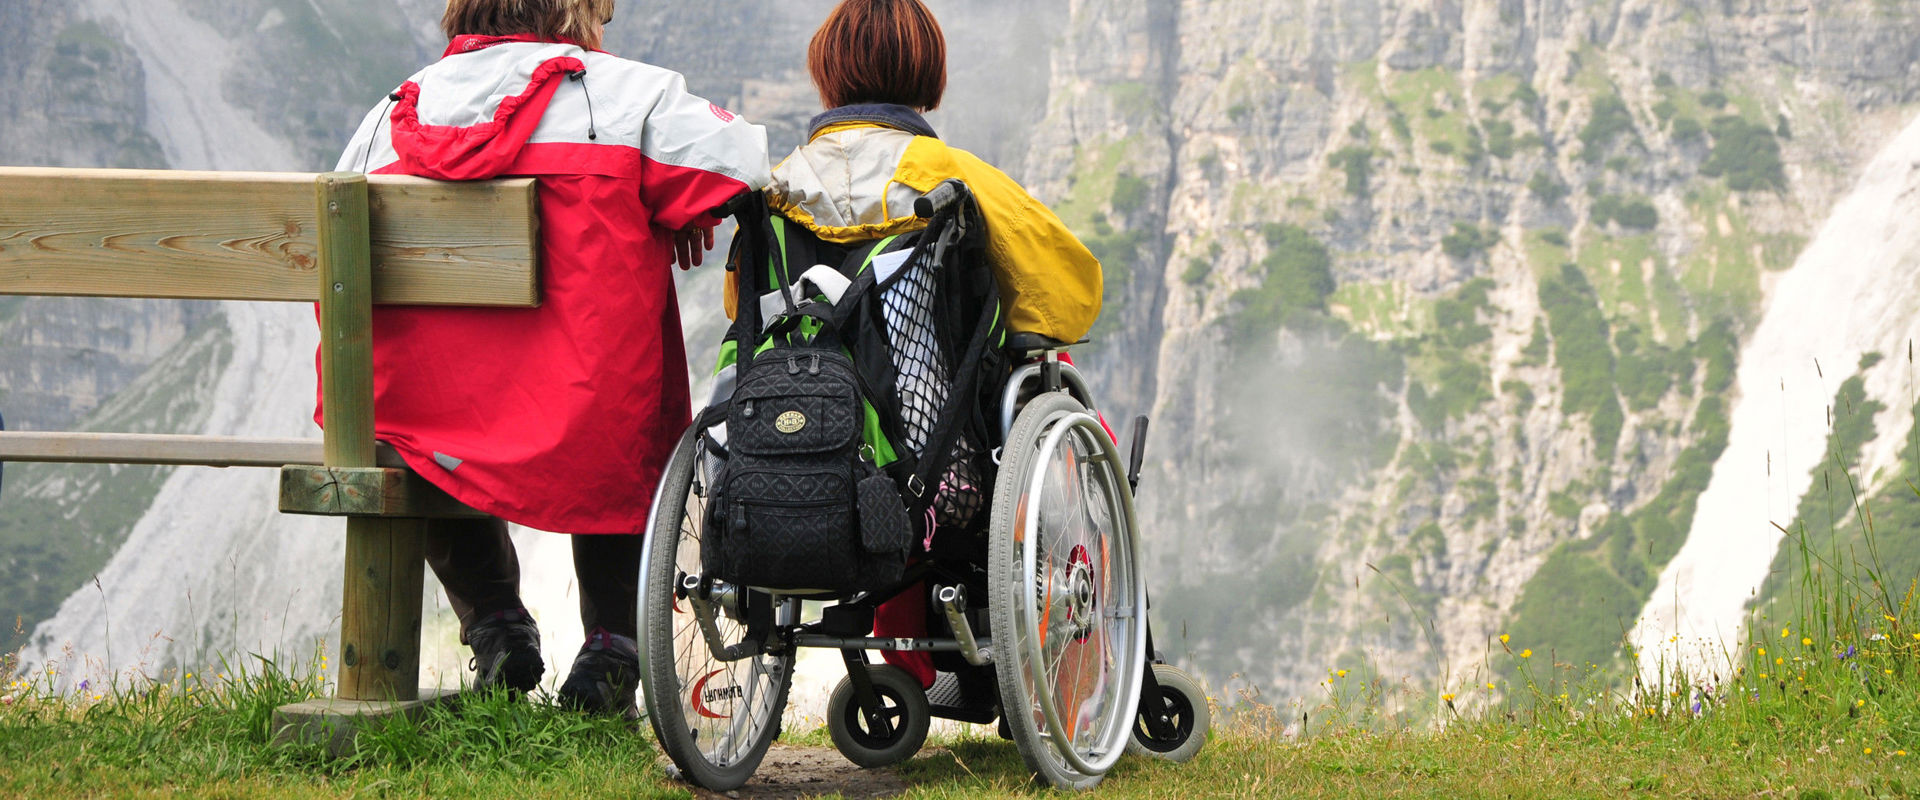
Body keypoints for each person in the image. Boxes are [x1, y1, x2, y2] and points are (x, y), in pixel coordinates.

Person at [328, 0, 770, 717]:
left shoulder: (389, 117)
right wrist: (689, 209)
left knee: (417, 430)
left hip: (443, 420)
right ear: (575, 13)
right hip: (583, 415)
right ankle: (613, 648)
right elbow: (744, 165)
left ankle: (496, 624)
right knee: (625, 423)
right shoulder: (627, 95)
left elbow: (335, 270)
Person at [745, 0, 1103, 689]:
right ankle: (1071, 667)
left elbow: (745, 306)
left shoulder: (776, 186)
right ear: (927, 74)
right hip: (931, 464)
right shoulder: (954, 175)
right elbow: (1069, 291)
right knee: (1059, 416)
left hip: (788, 449)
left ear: (828, 74)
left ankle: (902, 667)